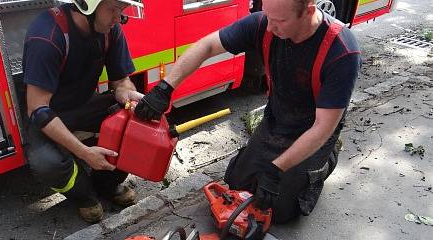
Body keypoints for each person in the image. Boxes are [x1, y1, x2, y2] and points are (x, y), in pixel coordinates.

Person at [135, 0, 361, 223]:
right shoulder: (265, 23)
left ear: (308, 12)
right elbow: (207, 45)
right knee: (238, 184)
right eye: (267, 16)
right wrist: (165, 88)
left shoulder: (341, 51)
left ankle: (327, 159)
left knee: (280, 209)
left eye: (279, 20)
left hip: (316, 130)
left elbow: (323, 128)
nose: (270, 27)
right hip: (277, 119)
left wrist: (276, 170)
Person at [22, 0, 144, 223]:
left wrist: (127, 94)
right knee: (46, 162)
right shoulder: (48, 36)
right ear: (86, 6)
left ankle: (106, 185)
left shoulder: (110, 29)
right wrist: (84, 152)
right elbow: (38, 108)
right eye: (113, 9)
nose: (119, 18)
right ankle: (84, 197)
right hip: (48, 113)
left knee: (133, 124)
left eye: (122, 10)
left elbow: (121, 80)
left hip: (84, 103)